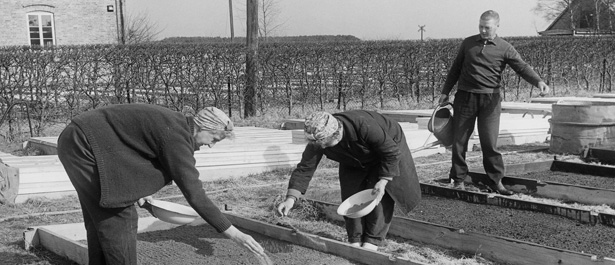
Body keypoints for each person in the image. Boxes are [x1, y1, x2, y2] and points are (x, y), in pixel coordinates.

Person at [57, 104, 266, 265]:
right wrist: (233, 232)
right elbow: (194, 192)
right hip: (83, 145)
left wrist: (138, 190)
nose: (210, 145)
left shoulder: (175, 125)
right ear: (203, 127)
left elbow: (132, 152)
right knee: (119, 215)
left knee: (100, 219)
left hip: (81, 141)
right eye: (214, 139)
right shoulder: (177, 136)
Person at [438, 10, 550, 195]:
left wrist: (538, 81)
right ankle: (458, 179)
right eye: (480, 26)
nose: (483, 30)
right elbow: (455, 68)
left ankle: (495, 180)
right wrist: (445, 92)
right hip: (465, 97)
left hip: (490, 100)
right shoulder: (468, 43)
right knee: (460, 141)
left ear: (497, 27)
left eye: (487, 27)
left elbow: (522, 67)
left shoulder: (505, 47)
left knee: (489, 142)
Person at [276, 110, 421, 251]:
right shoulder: (318, 138)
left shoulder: (364, 126)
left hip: (386, 149)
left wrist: (383, 181)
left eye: (326, 144)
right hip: (351, 156)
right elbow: (305, 167)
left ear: (337, 133)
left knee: (378, 195)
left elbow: (390, 153)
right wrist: (291, 198)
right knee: (351, 194)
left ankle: (372, 241)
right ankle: (355, 240)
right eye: (320, 144)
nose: (323, 148)